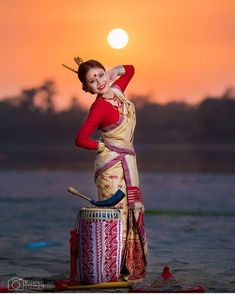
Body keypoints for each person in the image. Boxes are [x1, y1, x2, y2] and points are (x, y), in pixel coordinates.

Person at [62, 57, 147, 283]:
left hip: (127, 160)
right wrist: (101, 146)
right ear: (87, 89)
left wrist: (113, 72)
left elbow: (130, 69)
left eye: (99, 74)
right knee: (115, 215)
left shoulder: (117, 90)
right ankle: (108, 268)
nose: (99, 82)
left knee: (130, 211)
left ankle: (125, 267)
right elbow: (80, 139)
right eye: (92, 81)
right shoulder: (99, 107)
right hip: (110, 166)